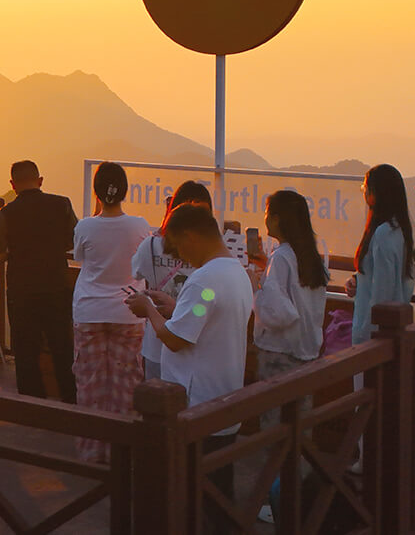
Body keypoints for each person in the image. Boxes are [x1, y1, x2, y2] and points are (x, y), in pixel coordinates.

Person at [125, 203, 253, 535]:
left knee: (198, 499)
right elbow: (205, 317)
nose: (181, 257)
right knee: (219, 493)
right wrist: (173, 307)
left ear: (190, 236)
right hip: (225, 398)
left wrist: (149, 310)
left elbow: (175, 339)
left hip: (197, 405)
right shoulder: (235, 272)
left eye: (179, 247)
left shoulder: (204, 279)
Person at [70, 161, 150, 463]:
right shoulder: (140, 226)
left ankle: (92, 451)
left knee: (90, 382)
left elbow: (80, 257)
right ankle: (123, 452)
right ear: (125, 190)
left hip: (89, 309)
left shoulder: (85, 226)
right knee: (126, 382)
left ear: (97, 192)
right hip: (128, 311)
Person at [0, 159, 79, 402]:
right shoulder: (62, 205)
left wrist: (16, 251)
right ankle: (70, 402)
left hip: (22, 290)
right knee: (62, 348)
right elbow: (75, 241)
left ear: (13, 184)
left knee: (26, 352)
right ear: (40, 181)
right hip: (57, 286)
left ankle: (31, 406)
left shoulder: (5, 214)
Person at [253, 191, 328, 418]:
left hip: (279, 352)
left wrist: (255, 288)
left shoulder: (281, 257)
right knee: (301, 422)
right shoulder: (309, 255)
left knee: (273, 424)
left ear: (277, 218)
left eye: (267, 212)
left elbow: (278, 313)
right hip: (307, 352)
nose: (265, 218)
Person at [130, 180, 211, 380]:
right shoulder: (209, 252)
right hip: (193, 343)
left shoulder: (151, 245)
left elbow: (136, 272)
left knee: (156, 395)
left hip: (156, 341)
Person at [352, 165, 415, 344]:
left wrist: (368, 332)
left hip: (375, 332)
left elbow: (383, 289)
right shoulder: (399, 229)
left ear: (377, 192)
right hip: (392, 327)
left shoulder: (383, 233)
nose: (364, 193)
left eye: (365, 188)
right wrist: (358, 279)